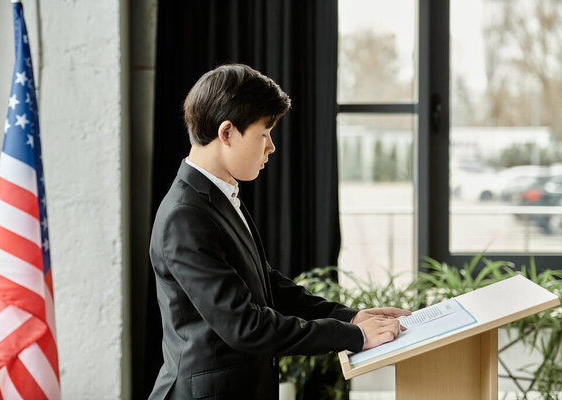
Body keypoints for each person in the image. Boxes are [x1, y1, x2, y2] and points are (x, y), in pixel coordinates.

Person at [149, 64, 410, 400]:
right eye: (264, 133)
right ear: (227, 133)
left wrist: (351, 317)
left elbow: (270, 287)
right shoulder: (185, 216)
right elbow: (245, 326)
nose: (270, 147)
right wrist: (353, 336)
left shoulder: (219, 195)